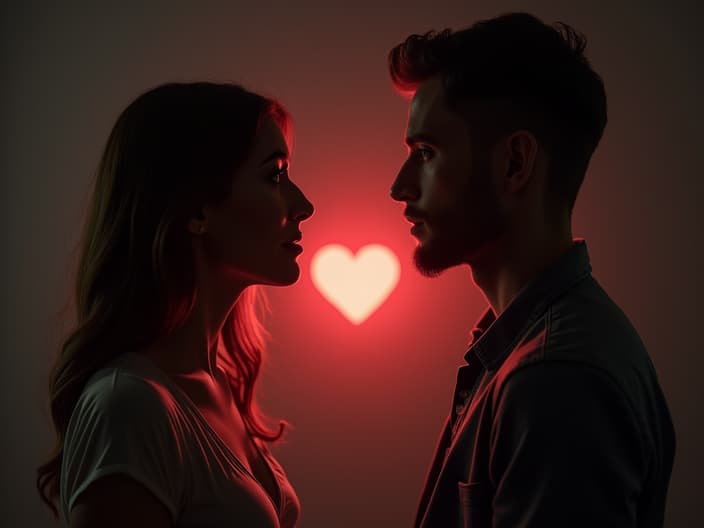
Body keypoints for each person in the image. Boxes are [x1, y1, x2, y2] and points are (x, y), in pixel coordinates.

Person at [388, 12, 675, 527]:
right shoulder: (531, 351)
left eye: (427, 153)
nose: (400, 186)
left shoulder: (556, 380)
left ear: (515, 162)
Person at [36, 82, 314, 527]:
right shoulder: (127, 407)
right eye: (274, 175)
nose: (303, 205)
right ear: (196, 209)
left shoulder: (216, 386)